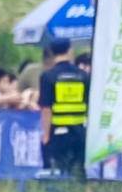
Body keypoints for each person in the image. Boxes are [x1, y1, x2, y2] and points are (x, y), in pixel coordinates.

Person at [38, 38, 88, 177]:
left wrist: (46, 135)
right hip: (79, 131)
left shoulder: (48, 77)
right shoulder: (83, 76)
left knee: (57, 172)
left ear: (52, 53)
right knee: (78, 170)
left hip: (57, 131)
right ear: (70, 50)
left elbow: (46, 109)